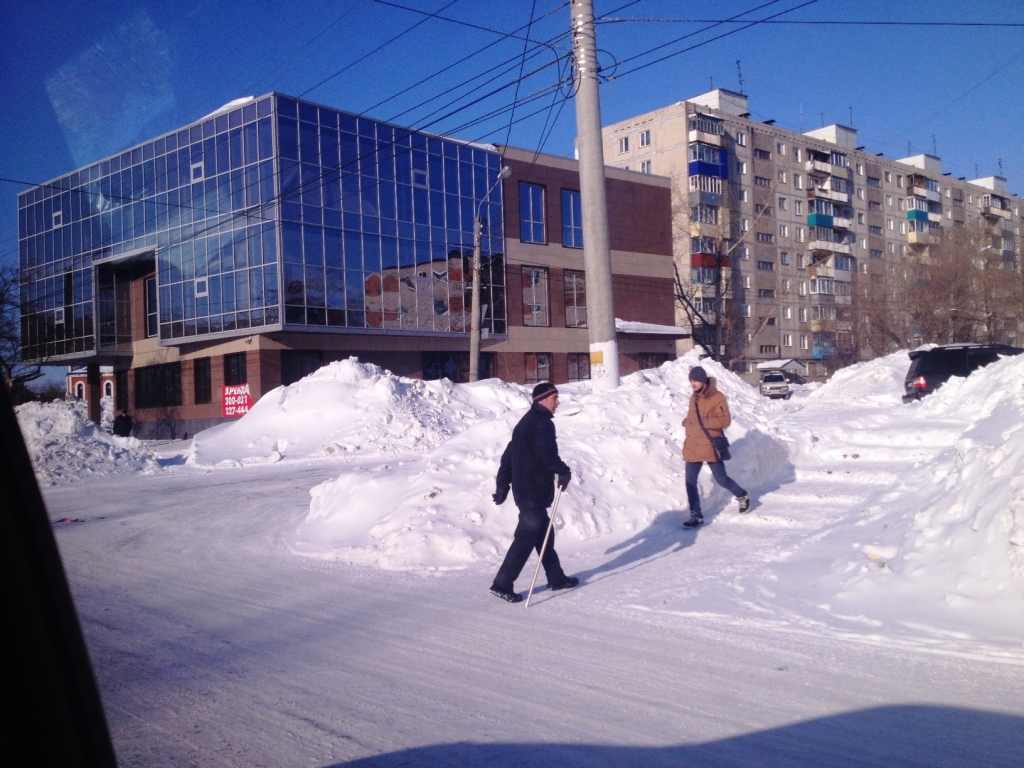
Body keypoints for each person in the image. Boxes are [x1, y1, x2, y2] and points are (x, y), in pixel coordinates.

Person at [490, 382, 580, 603]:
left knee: (544, 534)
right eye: (554, 398)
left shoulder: (524, 423)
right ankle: (502, 584)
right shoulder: (541, 424)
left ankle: (556, 577)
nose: (558, 403)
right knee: (526, 537)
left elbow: (508, 457)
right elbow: (546, 454)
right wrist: (563, 471)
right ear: (542, 399)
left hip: (526, 491)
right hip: (534, 491)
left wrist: (503, 486)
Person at [680, 366, 750, 529]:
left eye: (695, 380)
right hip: (693, 444)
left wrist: (704, 422)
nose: (692, 384)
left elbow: (724, 421)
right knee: (690, 481)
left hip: (710, 444)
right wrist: (687, 421)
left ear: (703, 380)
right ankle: (696, 515)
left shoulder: (717, 397)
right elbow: (694, 417)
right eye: (690, 381)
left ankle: (742, 495)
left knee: (721, 479)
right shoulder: (693, 398)